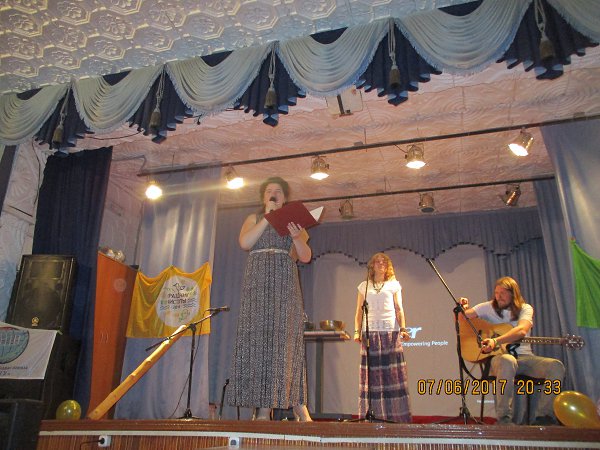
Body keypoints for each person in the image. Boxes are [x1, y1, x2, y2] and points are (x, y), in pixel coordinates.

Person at [228, 176, 312, 421]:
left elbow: (305, 256)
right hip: (257, 283)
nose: (273, 194)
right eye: (268, 191)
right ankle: (263, 408)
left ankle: (298, 404)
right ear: (263, 197)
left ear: (285, 197)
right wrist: (267, 217)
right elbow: (245, 243)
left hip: (285, 283)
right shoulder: (254, 218)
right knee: (259, 342)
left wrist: (296, 237)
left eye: (278, 191)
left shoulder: (294, 222)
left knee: (286, 342)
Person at [460, 276, 565, 425]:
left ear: (513, 293)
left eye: (503, 293)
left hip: (525, 358)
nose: (498, 296)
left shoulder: (525, 308)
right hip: (499, 359)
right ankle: (504, 419)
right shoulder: (488, 307)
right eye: (496, 293)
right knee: (508, 360)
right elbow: (462, 319)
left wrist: (496, 341)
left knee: (556, 366)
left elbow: (521, 330)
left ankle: (543, 418)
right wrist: (463, 308)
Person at [354, 252, 411, 423]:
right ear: (372, 265)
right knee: (372, 378)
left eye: (384, 262)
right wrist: (357, 331)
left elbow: (399, 308)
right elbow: (358, 312)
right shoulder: (364, 286)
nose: (381, 264)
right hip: (370, 334)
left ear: (388, 267)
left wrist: (403, 328)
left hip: (390, 334)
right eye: (377, 262)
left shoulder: (394, 285)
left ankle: (395, 417)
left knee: (392, 375)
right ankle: (374, 416)